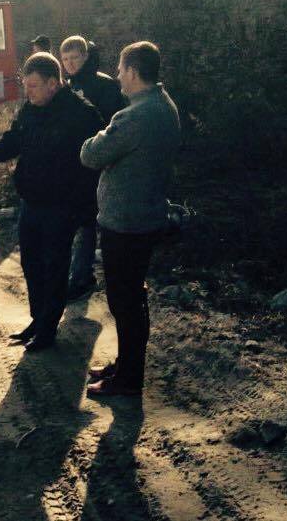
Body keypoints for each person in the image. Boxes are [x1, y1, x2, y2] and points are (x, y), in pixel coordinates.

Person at [0, 53, 103, 351]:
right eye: (26, 86)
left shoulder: (82, 114)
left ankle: (48, 329)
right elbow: (10, 144)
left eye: (34, 86)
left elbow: (95, 164)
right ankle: (38, 319)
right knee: (31, 264)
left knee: (54, 267)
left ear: (54, 83)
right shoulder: (30, 109)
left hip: (63, 205)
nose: (28, 92)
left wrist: (84, 209)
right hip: (32, 202)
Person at [80, 41, 180, 397]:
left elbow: (91, 154)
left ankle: (127, 380)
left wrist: (101, 133)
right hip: (146, 215)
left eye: (121, 69)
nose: (118, 75)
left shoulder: (134, 116)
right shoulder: (164, 106)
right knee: (132, 299)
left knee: (125, 302)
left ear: (133, 72)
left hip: (126, 222)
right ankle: (126, 366)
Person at [59, 36, 128, 300]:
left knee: (88, 219)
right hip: (72, 163)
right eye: (65, 60)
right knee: (77, 219)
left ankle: (82, 276)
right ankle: (79, 273)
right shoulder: (67, 87)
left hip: (97, 161)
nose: (70, 64)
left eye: (75, 58)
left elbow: (113, 125)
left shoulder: (105, 85)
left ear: (85, 56)